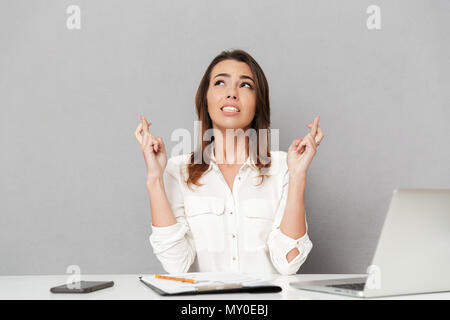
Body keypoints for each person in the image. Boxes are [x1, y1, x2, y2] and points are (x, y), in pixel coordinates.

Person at [133, 49, 324, 276]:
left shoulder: (284, 167)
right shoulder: (176, 170)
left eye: (245, 85)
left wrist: (298, 176)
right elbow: (177, 266)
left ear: (258, 103)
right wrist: (154, 179)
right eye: (220, 83)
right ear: (206, 98)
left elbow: (289, 263)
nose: (232, 93)